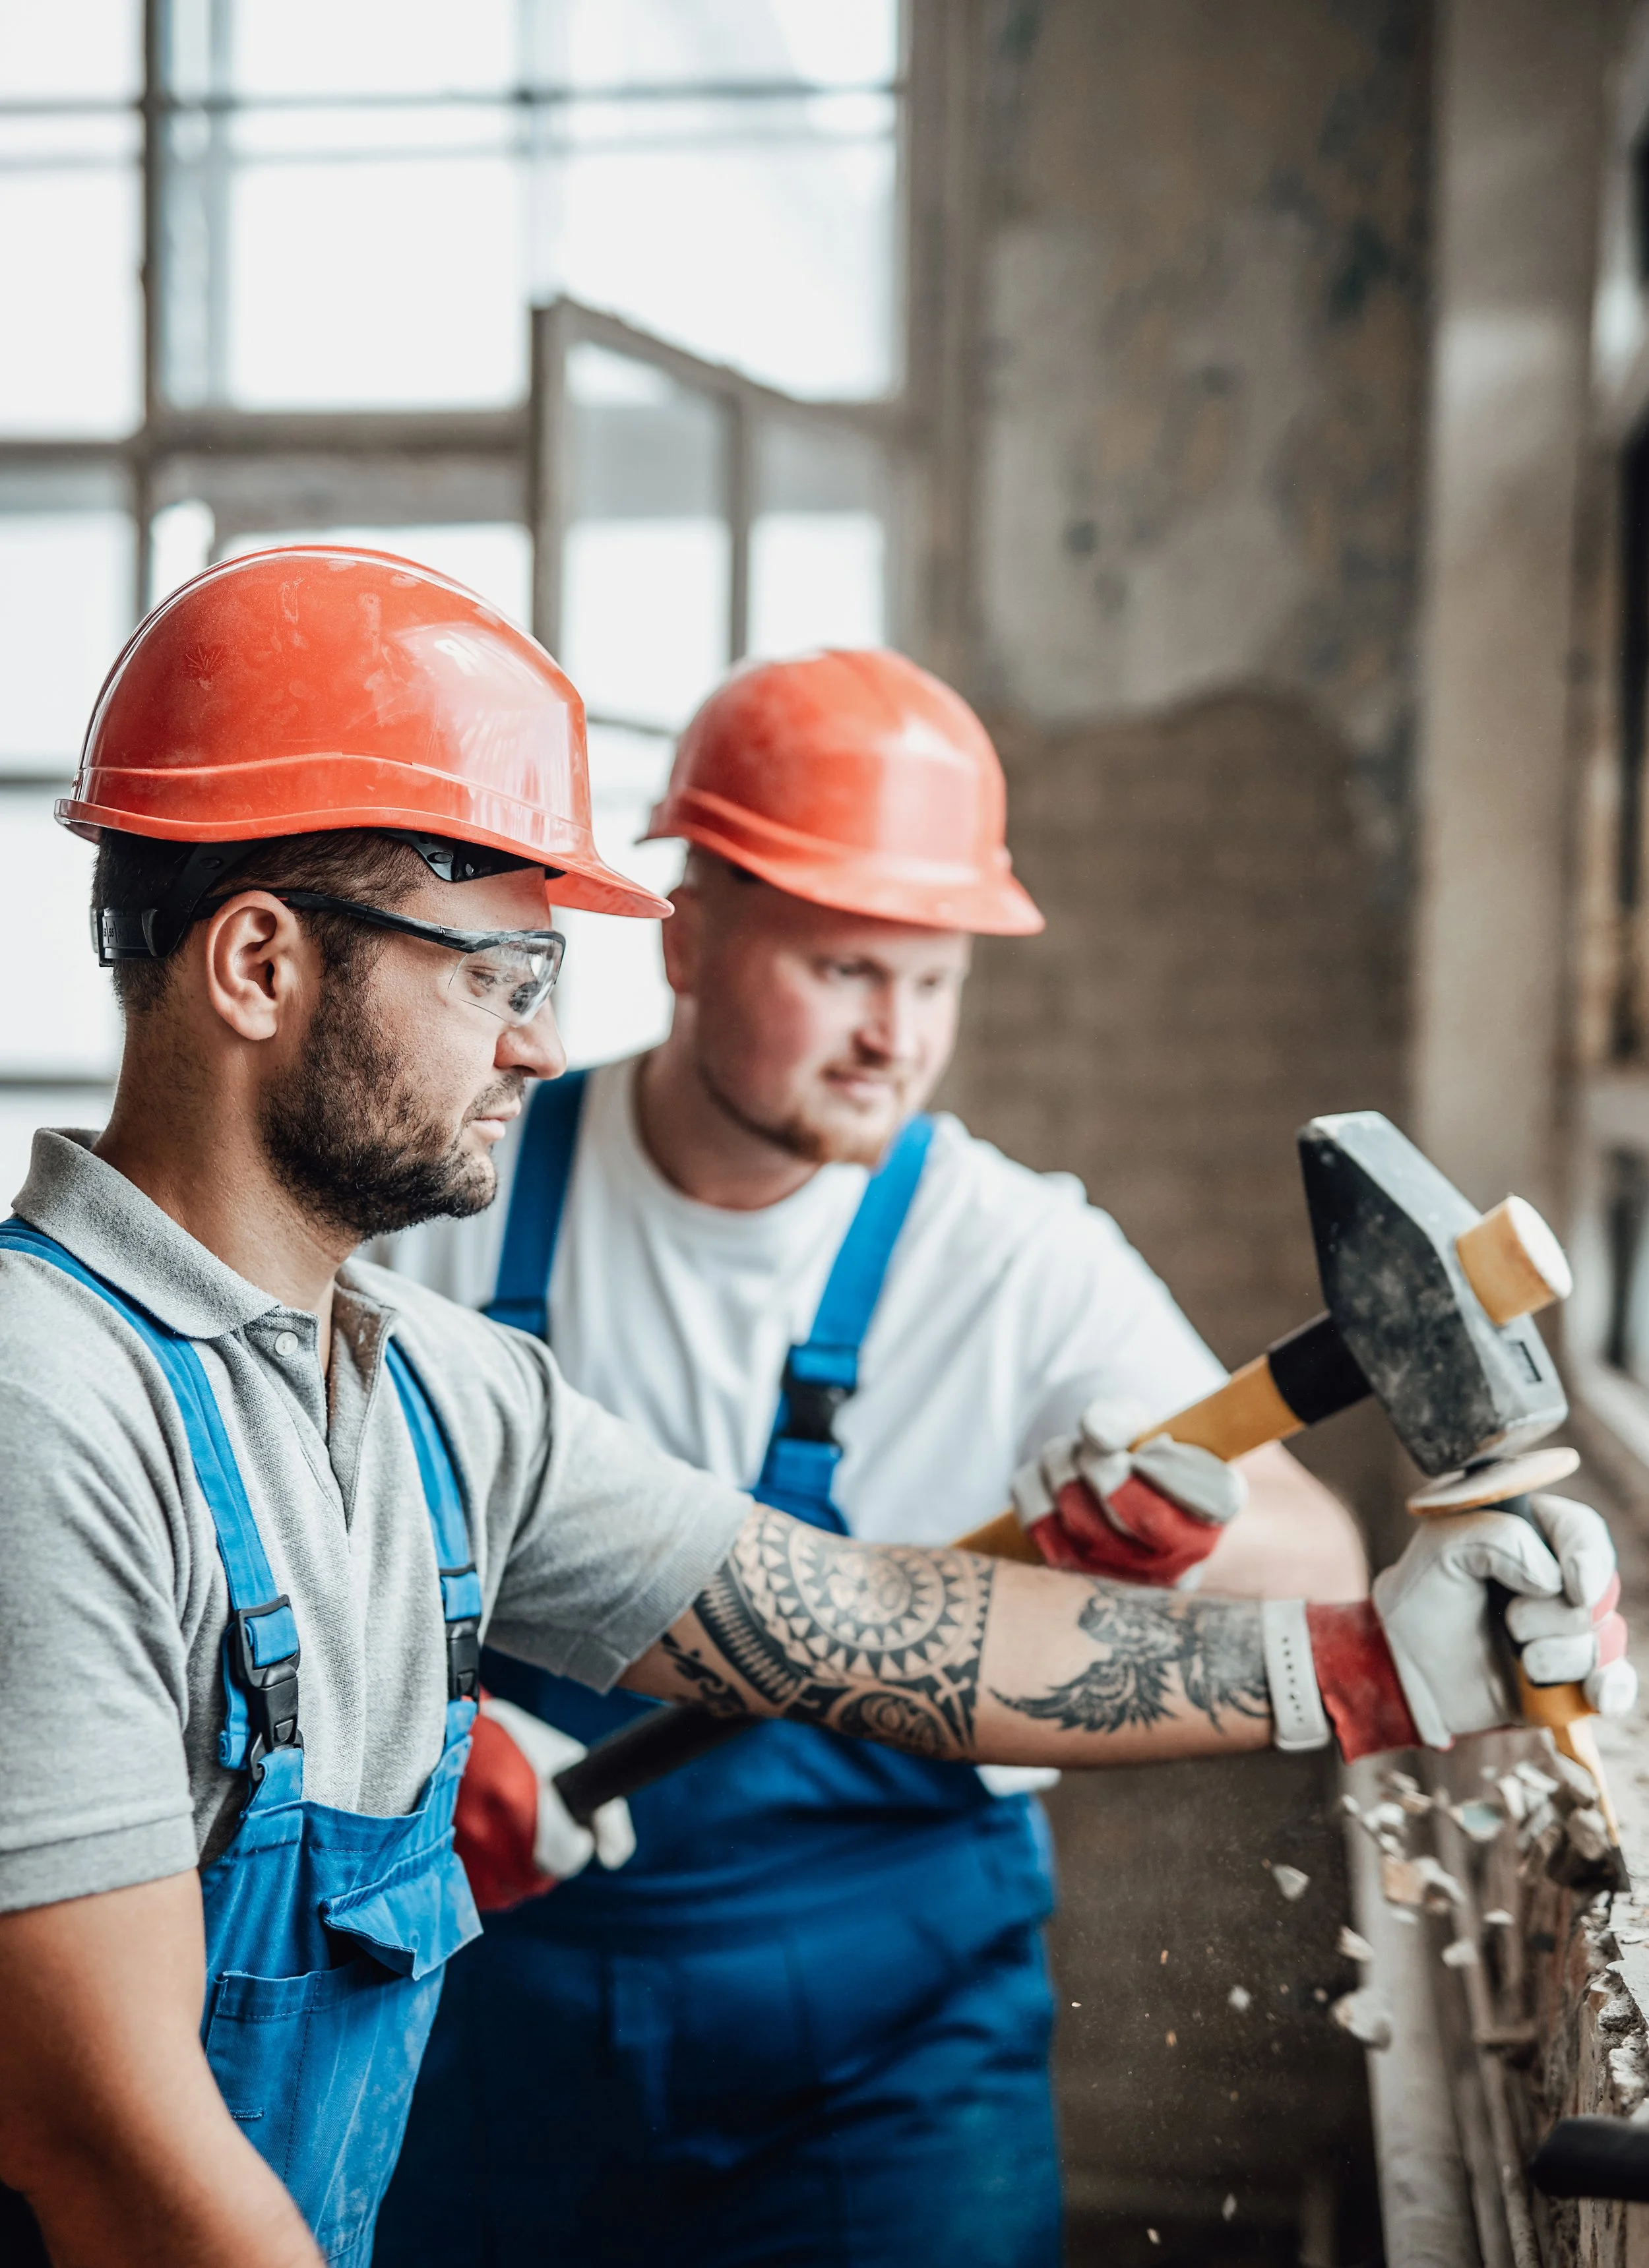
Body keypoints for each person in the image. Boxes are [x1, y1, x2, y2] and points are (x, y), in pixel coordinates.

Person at [0, 555, 1628, 2268]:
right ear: (257, 963)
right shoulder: (52, 1405)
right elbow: (105, 2138)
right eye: (495, 973)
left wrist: (1363, 1663)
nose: (538, 1046)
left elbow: (845, 1617)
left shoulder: (438, 1392)